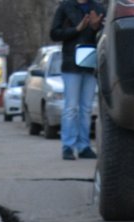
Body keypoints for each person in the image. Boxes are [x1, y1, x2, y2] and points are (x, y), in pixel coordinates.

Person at [49, 0, 107, 161]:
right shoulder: (65, 7)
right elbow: (54, 33)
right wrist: (77, 29)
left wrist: (96, 28)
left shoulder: (98, 8)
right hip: (71, 64)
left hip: (90, 63)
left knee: (87, 108)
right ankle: (68, 146)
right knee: (71, 107)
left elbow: (106, 36)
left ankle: (84, 146)